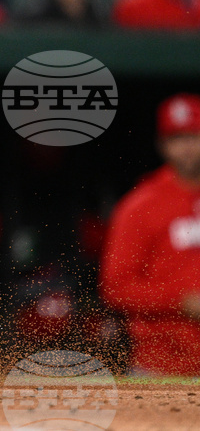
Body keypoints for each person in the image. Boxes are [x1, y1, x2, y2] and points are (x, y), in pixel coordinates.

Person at [100, 93, 200, 375]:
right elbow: (116, 288)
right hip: (159, 366)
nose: (187, 148)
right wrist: (181, 301)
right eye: (176, 139)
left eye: (193, 136)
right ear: (162, 145)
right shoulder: (140, 205)